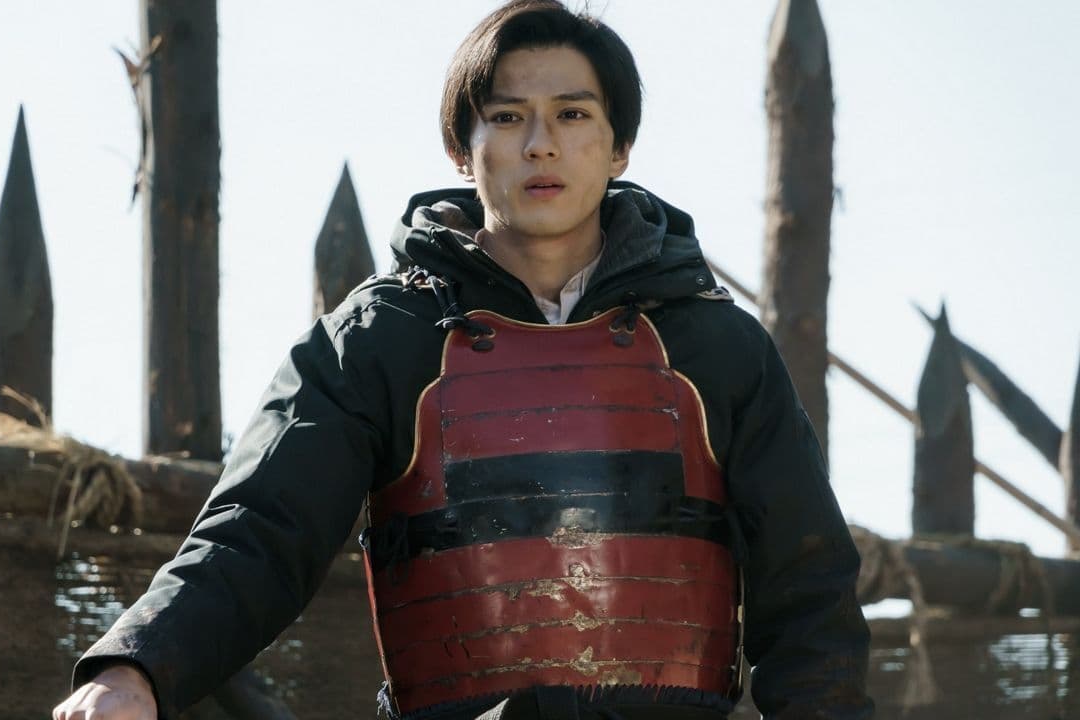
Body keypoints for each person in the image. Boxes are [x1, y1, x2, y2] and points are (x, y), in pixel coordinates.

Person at [54, 2, 873, 719]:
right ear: (462, 147)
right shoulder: (379, 339)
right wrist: (135, 669)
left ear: (619, 146)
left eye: (573, 115)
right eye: (507, 118)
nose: (541, 145)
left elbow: (809, 593)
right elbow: (259, 532)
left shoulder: (718, 347)